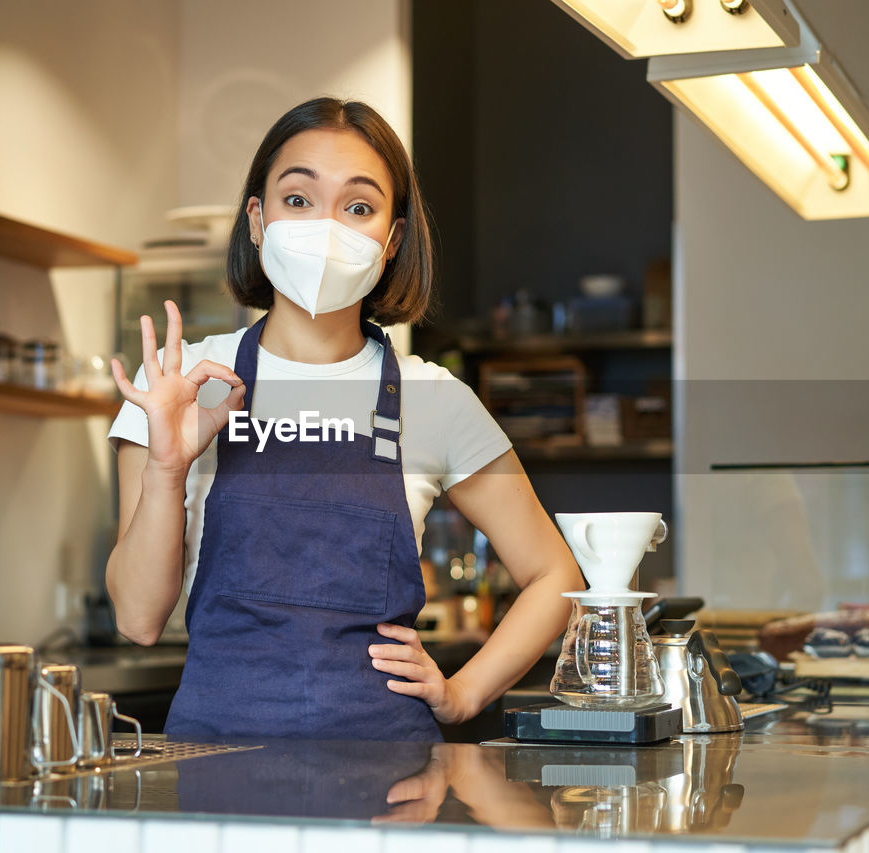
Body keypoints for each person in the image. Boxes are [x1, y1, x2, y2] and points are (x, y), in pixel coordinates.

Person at [106, 96, 581, 742]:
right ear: (257, 219)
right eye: (298, 200)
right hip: (214, 778)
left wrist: (463, 693)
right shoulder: (178, 383)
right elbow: (137, 618)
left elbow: (555, 576)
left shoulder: (431, 398)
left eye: (358, 207)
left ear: (390, 241)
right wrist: (168, 467)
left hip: (388, 787)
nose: (324, 228)